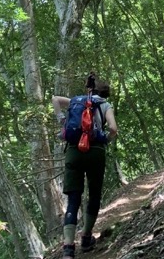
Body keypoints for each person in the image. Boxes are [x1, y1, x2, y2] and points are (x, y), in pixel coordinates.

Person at [52, 74, 118, 257]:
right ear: (103, 93)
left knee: (73, 199)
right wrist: (104, 139)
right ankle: (86, 237)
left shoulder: (75, 101)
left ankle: (68, 248)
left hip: (74, 151)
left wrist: (62, 122)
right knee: (94, 194)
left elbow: (54, 99)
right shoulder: (104, 104)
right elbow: (113, 128)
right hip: (96, 151)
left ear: (89, 89)